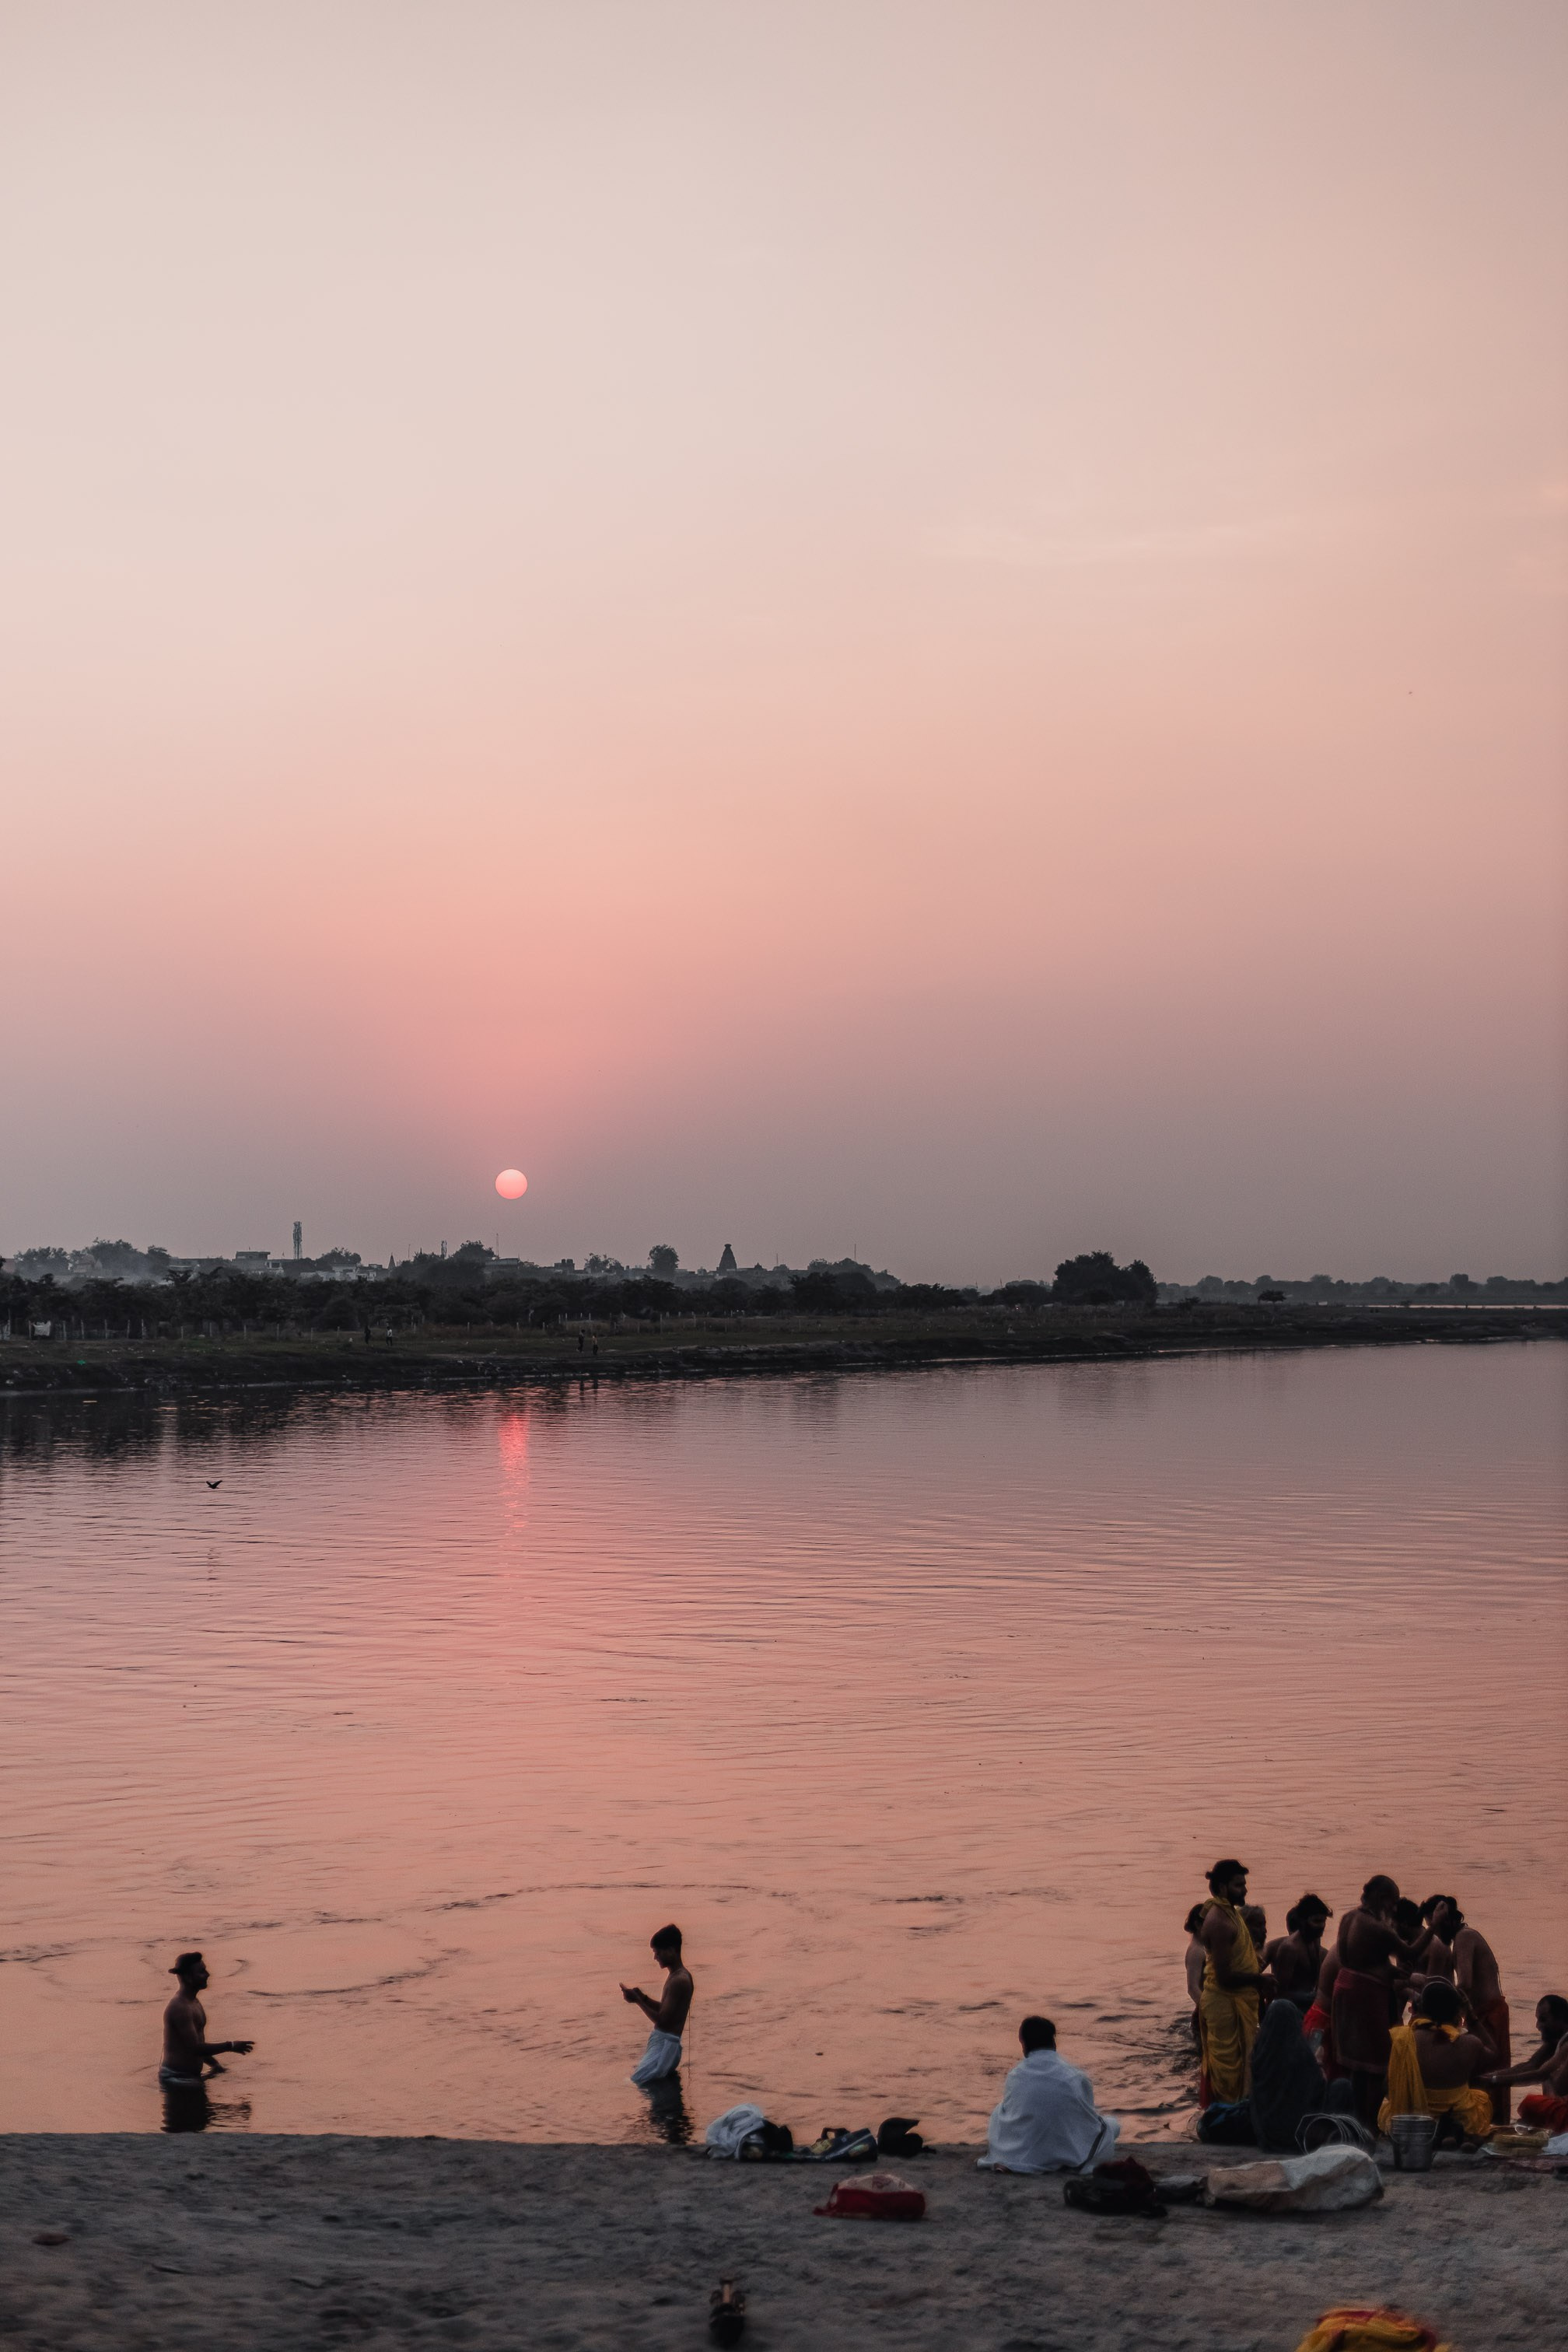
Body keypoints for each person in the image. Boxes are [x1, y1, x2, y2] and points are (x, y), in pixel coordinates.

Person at [1332, 1877, 1430, 2126]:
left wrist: (1391, 1972)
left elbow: (1358, 1961)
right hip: (1366, 1995)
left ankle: (1355, 2123)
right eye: (1393, 1902)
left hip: (1345, 1989)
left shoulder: (1349, 1918)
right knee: (1376, 2066)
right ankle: (1366, 2126)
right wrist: (1436, 1927)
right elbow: (1410, 1952)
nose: (1395, 1909)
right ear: (1379, 1897)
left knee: (1356, 2066)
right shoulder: (1376, 1927)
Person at [977, 2015, 1120, 2173]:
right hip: (1068, 2149)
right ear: (1053, 2042)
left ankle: (1015, 2156)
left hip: (1024, 2152)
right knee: (1112, 2125)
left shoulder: (1015, 2076)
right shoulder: (1075, 2076)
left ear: (1024, 2044)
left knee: (998, 2112)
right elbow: (1088, 2118)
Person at [1426, 1897, 1510, 2126]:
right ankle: (1490, 2122)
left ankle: (1486, 2123)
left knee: (1487, 2072)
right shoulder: (1464, 1937)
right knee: (1489, 2072)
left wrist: (1430, 1995)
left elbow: (1465, 1983)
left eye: (1434, 1925)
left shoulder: (1464, 1937)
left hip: (1487, 2014)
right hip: (1486, 2012)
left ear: (1449, 1921)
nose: (1433, 1934)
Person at [1377, 1979, 1496, 2144]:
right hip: (1461, 2113)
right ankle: (1453, 2130)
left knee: (1387, 2108)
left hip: (1414, 2118)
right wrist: (1472, 2016)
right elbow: (1494, 2053)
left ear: (1421, 2009)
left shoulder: (1404, 2039)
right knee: (1482, 2097)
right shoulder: (1470, 2043)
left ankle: (1437, 2129)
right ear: (1457, 2012)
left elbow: (1387, 2087)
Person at [1197, 1860, 1263, 2104]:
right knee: (1228, 2069)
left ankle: (1235, 2109)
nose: (1245, 1890)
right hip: (1224, 2003)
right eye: (1239, 1885)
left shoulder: (1231, 1914)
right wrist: (1258, 1980)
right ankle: (1224, 2112)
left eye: (1244, 1884)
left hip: (1235, 2000)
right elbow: (1224, 1978)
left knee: (1242, 2062)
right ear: (1222, 1888)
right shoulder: (1220, 1922)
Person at [160, 1953, 254, 2088]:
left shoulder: (194, 2002)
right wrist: (231, 2046)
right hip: (177, 2079)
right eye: (202, 1972)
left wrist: (215, 2065)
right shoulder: (180, 2008)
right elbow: (195, 2048)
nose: (208, 1974)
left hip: (189, 2077)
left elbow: (194, 2044)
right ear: (187, 1977)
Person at [1480, 1993, 1568, 2133]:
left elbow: (1540, 2075)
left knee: (1530, 2104)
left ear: (1562, 2019)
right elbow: (1530, 2065)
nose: (1538, 2025)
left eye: (1544, 2020)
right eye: (1538, 2019)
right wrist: (1490, 2076)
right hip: (1559, 2109)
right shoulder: (1555, 2041)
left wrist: (1494, 2081)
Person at [621, 1923, 693, 2086]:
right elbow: (667, 2011)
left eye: (657, 1952)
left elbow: (663, 2021)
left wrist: (638, 2002)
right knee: (648, 2089)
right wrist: (643, 1998)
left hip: (664, 2048)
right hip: (666, 2048)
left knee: (632, 2084)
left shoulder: (678, 1980)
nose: (655, 1957)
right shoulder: (678, 1976)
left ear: (672, 1950)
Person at [1267, 1897, 1332, 2014]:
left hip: (1309, 2005)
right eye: (1316, 1921)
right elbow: (1281, 1995)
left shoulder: (1315, 1941)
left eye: (1323, 1921)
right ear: (1303, 1921)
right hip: (1290, 2010)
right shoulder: (1290, 1948)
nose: (1321, 1926)